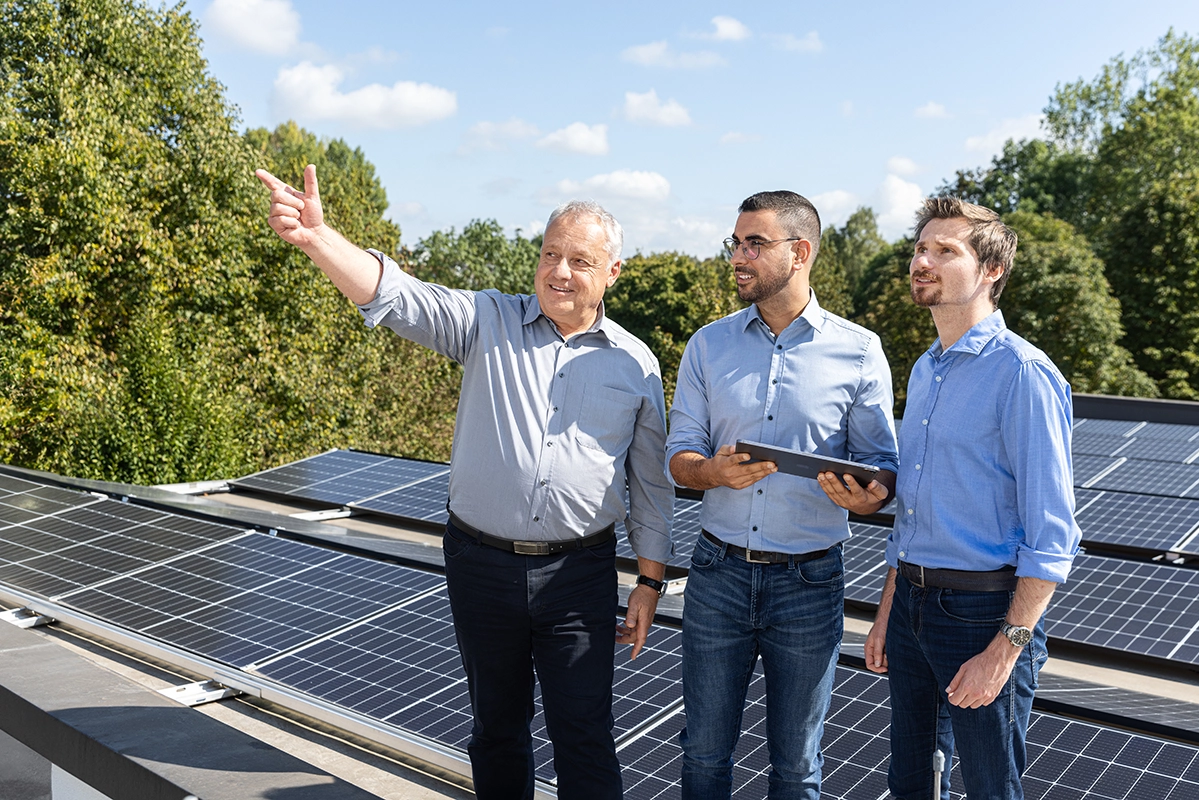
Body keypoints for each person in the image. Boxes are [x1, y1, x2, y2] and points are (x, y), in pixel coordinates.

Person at [255, 165, 674, 800]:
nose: (559, 271)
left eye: (580, 261)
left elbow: (650, 485)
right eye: (550, 254)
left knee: (584, 733)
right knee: (496, 728)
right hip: (483, 565)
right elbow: (397, 295)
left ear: (612, 273)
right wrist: (318, 239)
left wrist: (649, 580)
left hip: (579, 574)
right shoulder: (487, 321)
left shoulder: (635, 363)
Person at [666, 190, 899, 799]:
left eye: (754, 244)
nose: (737, 257)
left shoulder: (859, 350)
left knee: (797, 767)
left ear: (800, 252)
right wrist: (711, 472)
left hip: (810, 583)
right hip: (717, 575)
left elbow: (884, 467)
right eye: (735, 243)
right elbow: (678, 458)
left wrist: (868, 498)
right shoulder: (707, 345)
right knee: (703, 755)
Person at [850, 197, 1080, 800]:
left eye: (945, 251)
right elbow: (914, 513)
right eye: (919, 248)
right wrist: (888, 611)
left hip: (983, 615)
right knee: (911, 783)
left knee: (988, 788)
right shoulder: (927, 369)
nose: (921, 261)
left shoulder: (1023, 373)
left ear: (991, 270)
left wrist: (1006, 650)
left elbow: (1053, 534)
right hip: (911, 606)